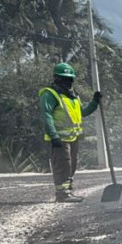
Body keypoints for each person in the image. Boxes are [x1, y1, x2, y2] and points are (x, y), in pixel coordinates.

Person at [39, 62, 101, 203]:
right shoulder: (50, 95)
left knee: (72, 165)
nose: (68, 81)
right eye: (64, 78)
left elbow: (82, 112)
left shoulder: (73, 96)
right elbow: (46, 116)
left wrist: (95, 102)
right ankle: (62, 194)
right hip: (59, 138)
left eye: (70, 79)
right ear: (57, 78)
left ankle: (67, 190)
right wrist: (54, 135)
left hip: (73, 138)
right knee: (63, 165)